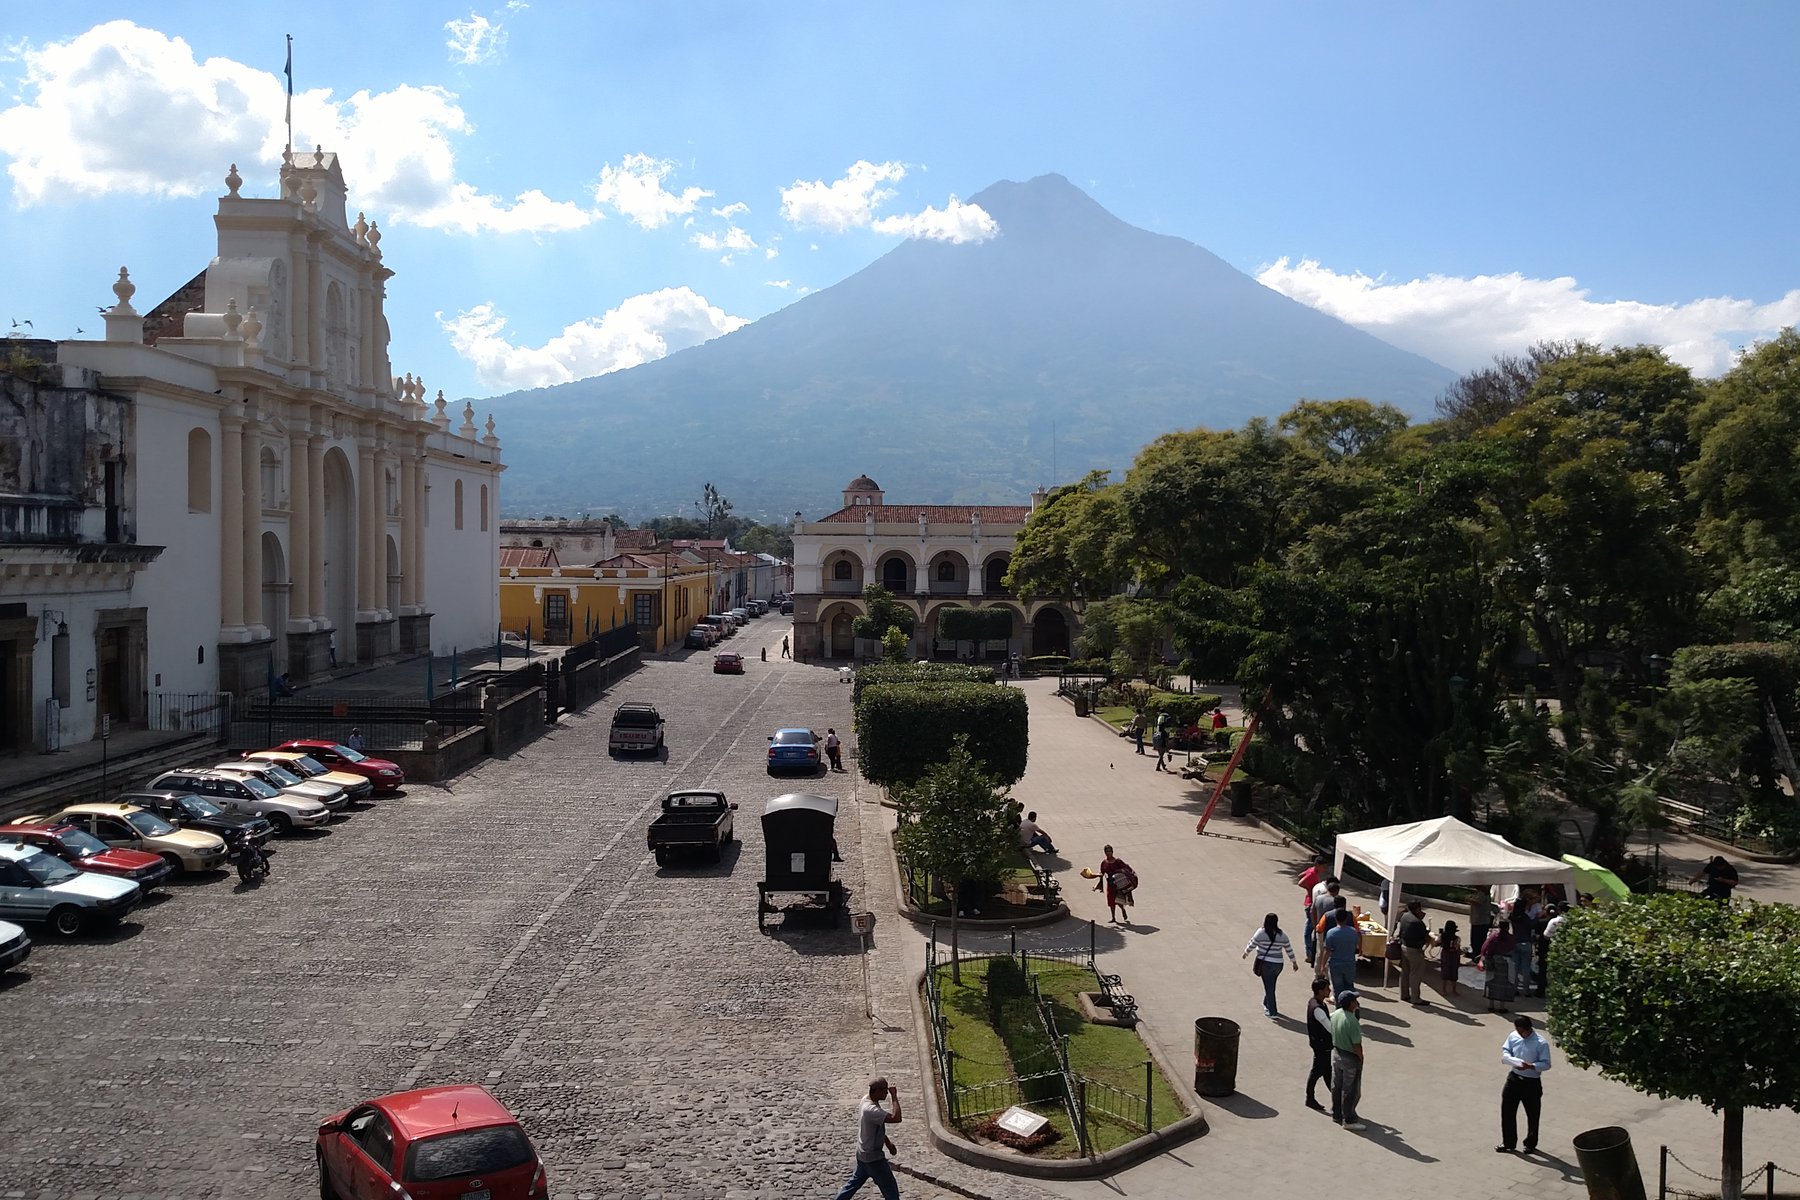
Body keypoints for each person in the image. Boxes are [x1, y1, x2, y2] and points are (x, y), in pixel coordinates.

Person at [834, 1077, 903, 1199]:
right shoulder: (871, 1110)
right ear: (876, 1091)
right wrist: (894, 1096)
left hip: (862, 1154)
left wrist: (888, 1143)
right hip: (874, 1159)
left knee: (852, 1185)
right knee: (890, 1189)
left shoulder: (866, 1099)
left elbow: (876, 1126)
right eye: (884, 1090)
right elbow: (896, 1118)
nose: (886, 1093)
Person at [1497, 1015, 1551, 1154]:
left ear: (1529, 1029)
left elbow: (1546, 1064)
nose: (1520, 1034)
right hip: (1514, 1079)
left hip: (1531, 1083)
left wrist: (1531, 1066)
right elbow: (1506, 1049)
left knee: (1532, 1114)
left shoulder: (1540, 1043)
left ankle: (1530, 1143)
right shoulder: (1514, 1036)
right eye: (1518, 1031)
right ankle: (1508, 1142)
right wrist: (1509, 1058)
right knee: (1507, 1111)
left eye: (1522, 1032)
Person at [1242, 912, 1299, 1017]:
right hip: (1278, 964)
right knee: (1271, 984)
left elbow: (1252, 943)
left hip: (1265, 964)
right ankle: (1266, 1003)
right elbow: (1288, 949)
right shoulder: (1282, 935)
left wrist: (1246, 952)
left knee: (1269, 987)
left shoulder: (1261, 932)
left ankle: (1272, 1012)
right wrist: (1294, 962)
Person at [1329, 989, 1366, 1131]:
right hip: (1350, 1057)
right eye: (1355, 1000)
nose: (1357, 1002)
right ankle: (1349, 1119)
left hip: (1336, 1053)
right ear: (1351, 1004)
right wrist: (1361, 1058)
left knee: (1336, 1085)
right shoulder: (1352, 1021)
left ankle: (1336, 1113)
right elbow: (1357, 1045)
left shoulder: (1335, 1014)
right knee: (1350, 1089)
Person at [1304, 977, 1334, 1111]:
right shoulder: (1317, 1008)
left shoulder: (1316, 1003)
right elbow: (1329, 1027)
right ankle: (1310, 1097)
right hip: (1322, 1045)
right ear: (1320, 991)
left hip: (1321, 1044)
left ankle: (1336, 1096)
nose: (1330, 990)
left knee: (1327, 1071)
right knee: (1318, 1071)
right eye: (1327, 988)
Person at [1396, 899, 1432, 1006]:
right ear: (1417, 909)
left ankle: (1404, 994)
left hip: (1404, 946)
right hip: (1414, 950)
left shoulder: (1404, 916)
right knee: (1415, 974)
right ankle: (1415, 998)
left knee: (1405, 972)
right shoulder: (1417, 922)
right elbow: (1425, 936)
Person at [1479, 922, 1518, 1013]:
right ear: (1508, 928)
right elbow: (1513, 949)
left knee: (1491, 981)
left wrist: (1483, 956)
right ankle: (1501, 1006)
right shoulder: (1510, 938)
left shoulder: (1494, 936)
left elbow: (1485, 947)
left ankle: (1491, 1005)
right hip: (1506, 963)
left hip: (1493, 961)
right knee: (1504, 984)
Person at [1322, 909, 1360, 1003]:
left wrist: (1323, 965)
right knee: (1349, 985)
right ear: (1346, 919)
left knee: (1338, 988)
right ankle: (1351, 1005)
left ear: (1336, 919)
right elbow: (1357, 944)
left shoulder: (1331, 933)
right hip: (1350, 963)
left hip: (1336, 964)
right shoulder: (1353, 931)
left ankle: (1340, 1007)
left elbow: (1327, 951)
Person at [1096, 845, 1137, 923]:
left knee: (1118, 900)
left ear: (1112, 852)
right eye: (1107, 852)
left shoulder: (1117, 861)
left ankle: (1122, 910)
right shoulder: (1104, 863)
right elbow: (1102, 872)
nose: (1109, 853)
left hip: (1118, 884)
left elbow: (1125, 868)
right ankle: (1113, 917)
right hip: (1110, 884)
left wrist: (1119, 874)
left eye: (1110, 851)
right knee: (1111, 900)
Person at [1437, 920, 1462, 998]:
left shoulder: (1442, 936)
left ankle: (1444, 989)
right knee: (1454, 971)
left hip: (1445, 954)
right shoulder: (1457, 938)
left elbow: (1437, 943)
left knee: (1445, 970)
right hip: (1454, 955)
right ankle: (1454, 990)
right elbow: (1457, 948)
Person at [1468, 886, 1492, 962]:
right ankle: (1476, 954)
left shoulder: (1482, 894)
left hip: (1480, 921)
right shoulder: (1478, 893)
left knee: (1478, 941)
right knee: (1476, 940)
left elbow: (1478, 902)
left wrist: (1469, 899)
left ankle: (1477, 956)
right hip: (1477, 921)